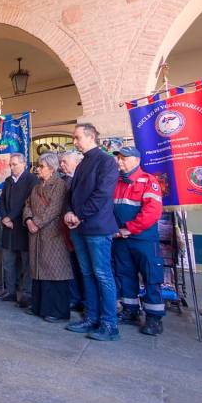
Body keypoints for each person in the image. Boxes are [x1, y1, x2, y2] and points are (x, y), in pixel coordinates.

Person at [64, 123, 120, 341]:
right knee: (87, 273)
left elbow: (102, 194)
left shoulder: (106, 161)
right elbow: (72, 192)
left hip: (97, 227)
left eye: (77, 137)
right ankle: (91, 317)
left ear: (90, 136)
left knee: (103, 274)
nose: (74, 142)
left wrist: (79, 215)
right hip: (78, 227)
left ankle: (109, 324)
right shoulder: (82, 163)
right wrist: (69, 212)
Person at [111, 146, 165, 336]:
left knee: (151, 277)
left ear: (136, 160)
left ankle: (153, 318)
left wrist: (129, 228)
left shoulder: (149, 181)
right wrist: (114, 230)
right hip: (120, 239)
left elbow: (152, 212)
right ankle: (130, 311)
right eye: (118, 158)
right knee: (125, 275)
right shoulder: (116, 182)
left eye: (124, 158)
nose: (120, 161)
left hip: (143, 239)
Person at [23, 152, 72, 322]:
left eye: (41, 166)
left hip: (53, 235)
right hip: (35, 235)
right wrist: (28, 220)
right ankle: (39, 306)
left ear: (51, 168)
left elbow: (55, 208)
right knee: (38, 270)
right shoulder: (36, 187)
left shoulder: (60, 185)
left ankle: (56, 311)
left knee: (54, 271)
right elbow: (28, 204)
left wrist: (36, 223)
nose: (38, 169)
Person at [0, 153, 37, 305]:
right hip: (8, 227)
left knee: (26, 263)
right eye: (10, 165)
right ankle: (10, 291)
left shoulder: (31, 180)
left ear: (24, 164)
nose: (11, 167)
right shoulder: (8, 181)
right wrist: (5, 217)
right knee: (8, 262)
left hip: (23, 226)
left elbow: (28, 203)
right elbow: (1, 202)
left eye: (15, 164)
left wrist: (11, 218)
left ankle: (26, 293)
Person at [59, 150, 84, 312]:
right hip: (66, 231)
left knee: (85, 268)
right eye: (60, 162)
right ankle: (75, 298)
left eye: (64, 162)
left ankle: (87, 300)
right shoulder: (64, 181)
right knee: (72, 266)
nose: (61, 165)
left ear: (76, 162)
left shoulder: (83, 179)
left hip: (83, 229)